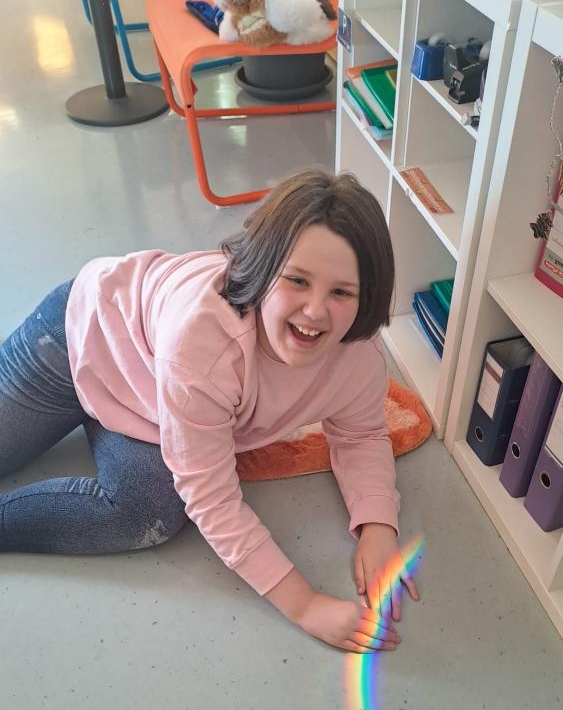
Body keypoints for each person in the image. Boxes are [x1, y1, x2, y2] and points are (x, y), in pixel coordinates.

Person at [0, 168, 419, 652]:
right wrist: (304, 605)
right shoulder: (204, 342)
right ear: (262, 269)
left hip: (152, 395)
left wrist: (377, 524)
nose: (315, 311)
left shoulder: (359, 356)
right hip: (80, 338)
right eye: (297, 281)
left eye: (341, 292)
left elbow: (361, 434)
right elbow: (214, 498)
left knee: (148, 513)